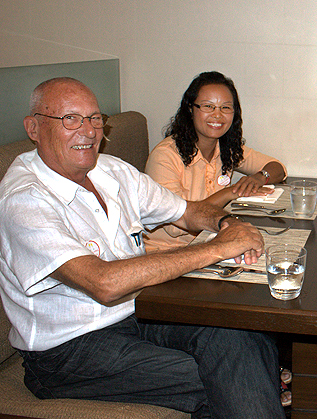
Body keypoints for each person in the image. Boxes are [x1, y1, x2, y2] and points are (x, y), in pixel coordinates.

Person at [0, 77, 285, 418]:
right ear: (33, 128)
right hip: (68, 351)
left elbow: (187, 212)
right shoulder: (25, 199)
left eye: (94, 118)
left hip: (138, 312)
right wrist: (217, 248)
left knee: (243, 337)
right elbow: (104, 283)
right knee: (230, 375)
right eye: (70, 119)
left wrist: (228, 223)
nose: (89, 131)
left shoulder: (112, 170)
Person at [144, 71, 287, 253]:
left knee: (280, 250)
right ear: (190, 109)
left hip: (211, 241)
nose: (217, 115)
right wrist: (231, 192)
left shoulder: (226, 147)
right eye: (208, 106)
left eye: (225, 108)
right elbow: (174, 224)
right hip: (168, 252)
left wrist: (259, 177)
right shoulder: (165, 156)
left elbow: (278, 168)